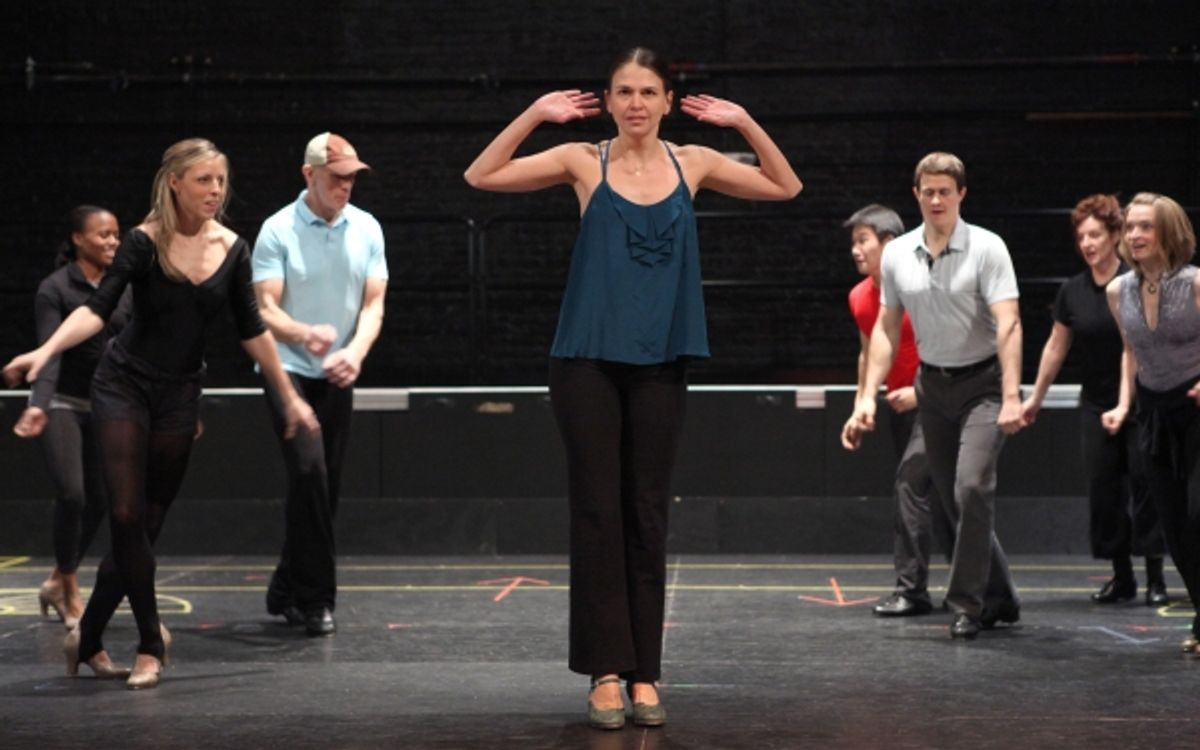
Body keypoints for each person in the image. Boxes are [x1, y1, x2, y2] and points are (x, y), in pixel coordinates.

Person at [464, 47, 801, 728]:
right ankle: (605, 672)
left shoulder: (694, 162)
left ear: (668, 101)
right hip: (586, 362)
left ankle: (646, 672)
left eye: (649, 91)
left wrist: (743, 122)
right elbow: (481, 173)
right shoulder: (584, 161)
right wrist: (536, 113)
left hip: (661, 363)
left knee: (646, 514)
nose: (637, 103)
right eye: (624, 91)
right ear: (609, 100)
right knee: (597, 514)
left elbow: (786, 185)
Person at [3, 138, 318, 689]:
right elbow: (98, 312)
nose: (214, 191)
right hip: (123, 384)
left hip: (179, 393)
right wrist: (45, 351)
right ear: (174, 182)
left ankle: (89, 634)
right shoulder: (143, 242)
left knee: (145, 526)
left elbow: (252, 331)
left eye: (220, 181)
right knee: (125, 515)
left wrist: (289, 394)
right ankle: (151, 642)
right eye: (203, 181)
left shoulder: (233, 248)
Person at [844, 151, 1023, 640]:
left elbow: (1008, 322)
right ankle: (1001, 598)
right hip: (934, 386)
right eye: (929, 191)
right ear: (916, 195)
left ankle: (968, 604)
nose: (938, 199)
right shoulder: (899, 253)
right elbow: (884, 331)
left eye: (946, 190)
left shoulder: (988, 248)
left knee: (971, 487)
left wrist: (1011, 394)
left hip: (983, 385)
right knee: (951, 501)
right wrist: (865, 399)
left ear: (961, 194)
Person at [252, 132, 387, 637]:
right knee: (309, 474)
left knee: (323, 489)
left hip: (337, 370)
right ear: (309, 175)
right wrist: (303, 332)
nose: (346, 186)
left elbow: (374, 304)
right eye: (337, 177)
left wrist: (354, 351)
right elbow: (264, 307)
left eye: (352, 177)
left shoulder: (367, 229)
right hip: (285, 368)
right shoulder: (277, 230)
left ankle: (286, 585)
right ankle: (315, 601)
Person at [1022, 194, 1167, 606]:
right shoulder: (1073, 291)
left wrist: (1124, 406)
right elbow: (1056, 345)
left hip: (1142, 400)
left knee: (1145, 484)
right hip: (1096, 400)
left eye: (1095, 235)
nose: (1087, 243)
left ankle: (1156, 576)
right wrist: (1035, 398)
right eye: (1081, 236)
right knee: (1104, 490)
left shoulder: (1132, 284)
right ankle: (1122, 577)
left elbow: (1131, 349)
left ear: (1115, 236)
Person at [14, 206, 132, 630]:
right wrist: (38, 404)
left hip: (107, 406)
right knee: (73, 494)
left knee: (102, 501)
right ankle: (69, 588)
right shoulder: (55, 288)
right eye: (103, 235)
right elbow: (51, 352)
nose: (113, 242)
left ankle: (53, 580)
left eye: (116, 234)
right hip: (64, 401)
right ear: (78, 239)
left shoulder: (123, 287)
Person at [839, 204, 953, 617]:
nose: (856, 250)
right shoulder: (859, 296)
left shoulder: (921, 285)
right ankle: (970, 592)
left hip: (938, 403)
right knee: (930, 494)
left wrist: (921, 393)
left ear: (890, 243)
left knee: (916, 486)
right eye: (853, 242)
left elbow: (947, 346)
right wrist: (860, 405)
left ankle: (915, 590)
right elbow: (868, 353)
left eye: (863, 240)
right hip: (897, 406)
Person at [1105, 192, 1199, 653]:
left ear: (1168, 232)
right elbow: (1132, 351)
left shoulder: (1196, 284)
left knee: (1198, 516)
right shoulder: (1117, 291)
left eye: (1146, 226)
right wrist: (1125, 405)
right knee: (1174, 526)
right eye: (1130, 227)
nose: (1135, 235)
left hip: (1198, 409)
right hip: (1154, 414)